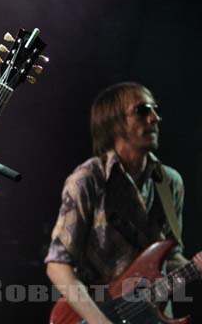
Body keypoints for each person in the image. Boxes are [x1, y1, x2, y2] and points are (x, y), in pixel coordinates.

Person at [45, 82, 202, 324]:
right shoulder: (88, 180)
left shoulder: (170, 182)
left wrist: (195, 267)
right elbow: (57, 264)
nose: (155, 117)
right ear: (114, 122)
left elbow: (171, 256)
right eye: (142, 110)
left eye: (155, 109)